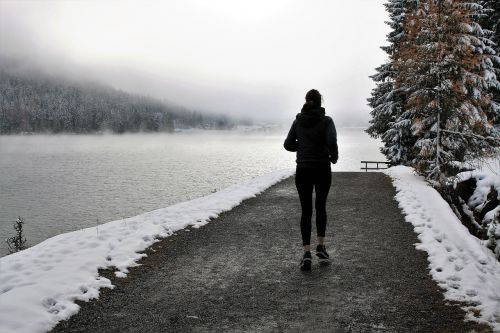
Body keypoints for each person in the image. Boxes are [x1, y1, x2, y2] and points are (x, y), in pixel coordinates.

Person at [284, 89, 338, 271]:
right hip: (322, 168)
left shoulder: (298, 121)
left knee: (306, 210)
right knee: (320, 206)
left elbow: (288, 144)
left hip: (303, 170)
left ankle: (306, 253)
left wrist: (303, 147)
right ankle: (321, 248)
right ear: (320, 102)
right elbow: (331, 141)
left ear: (306, 101)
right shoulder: (327, 120)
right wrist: (333, 156)